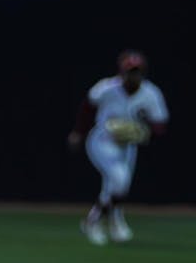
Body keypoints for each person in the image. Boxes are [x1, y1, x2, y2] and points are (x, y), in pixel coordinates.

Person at [66, 49, 169, 245]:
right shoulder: (106, 88)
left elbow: (160, 126)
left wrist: (144, 130)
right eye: (130, 71)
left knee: (116, 186)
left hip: (128, 146)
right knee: (119, 179)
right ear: (122, 72)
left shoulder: (151, 93)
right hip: (102, 140)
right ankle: (93, 221)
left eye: (137, 71)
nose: (134, 75)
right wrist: (78, 132)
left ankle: (114, 223)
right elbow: (87, 107)